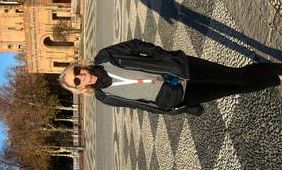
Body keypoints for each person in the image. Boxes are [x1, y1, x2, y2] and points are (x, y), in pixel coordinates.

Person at [59, 39, 282, 116]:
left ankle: (277, 69)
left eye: (77, 71)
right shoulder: (103, 97)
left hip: (181, 70)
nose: (82, 76)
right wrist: (179, 109)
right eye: (76, 80)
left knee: (238, 78)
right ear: (79, 88)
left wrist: (165, 57)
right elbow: (140, 105)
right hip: (178, 96)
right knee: (234, 90)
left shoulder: (105, 56)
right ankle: (273, 81)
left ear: (80, 66)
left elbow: (137, 45)